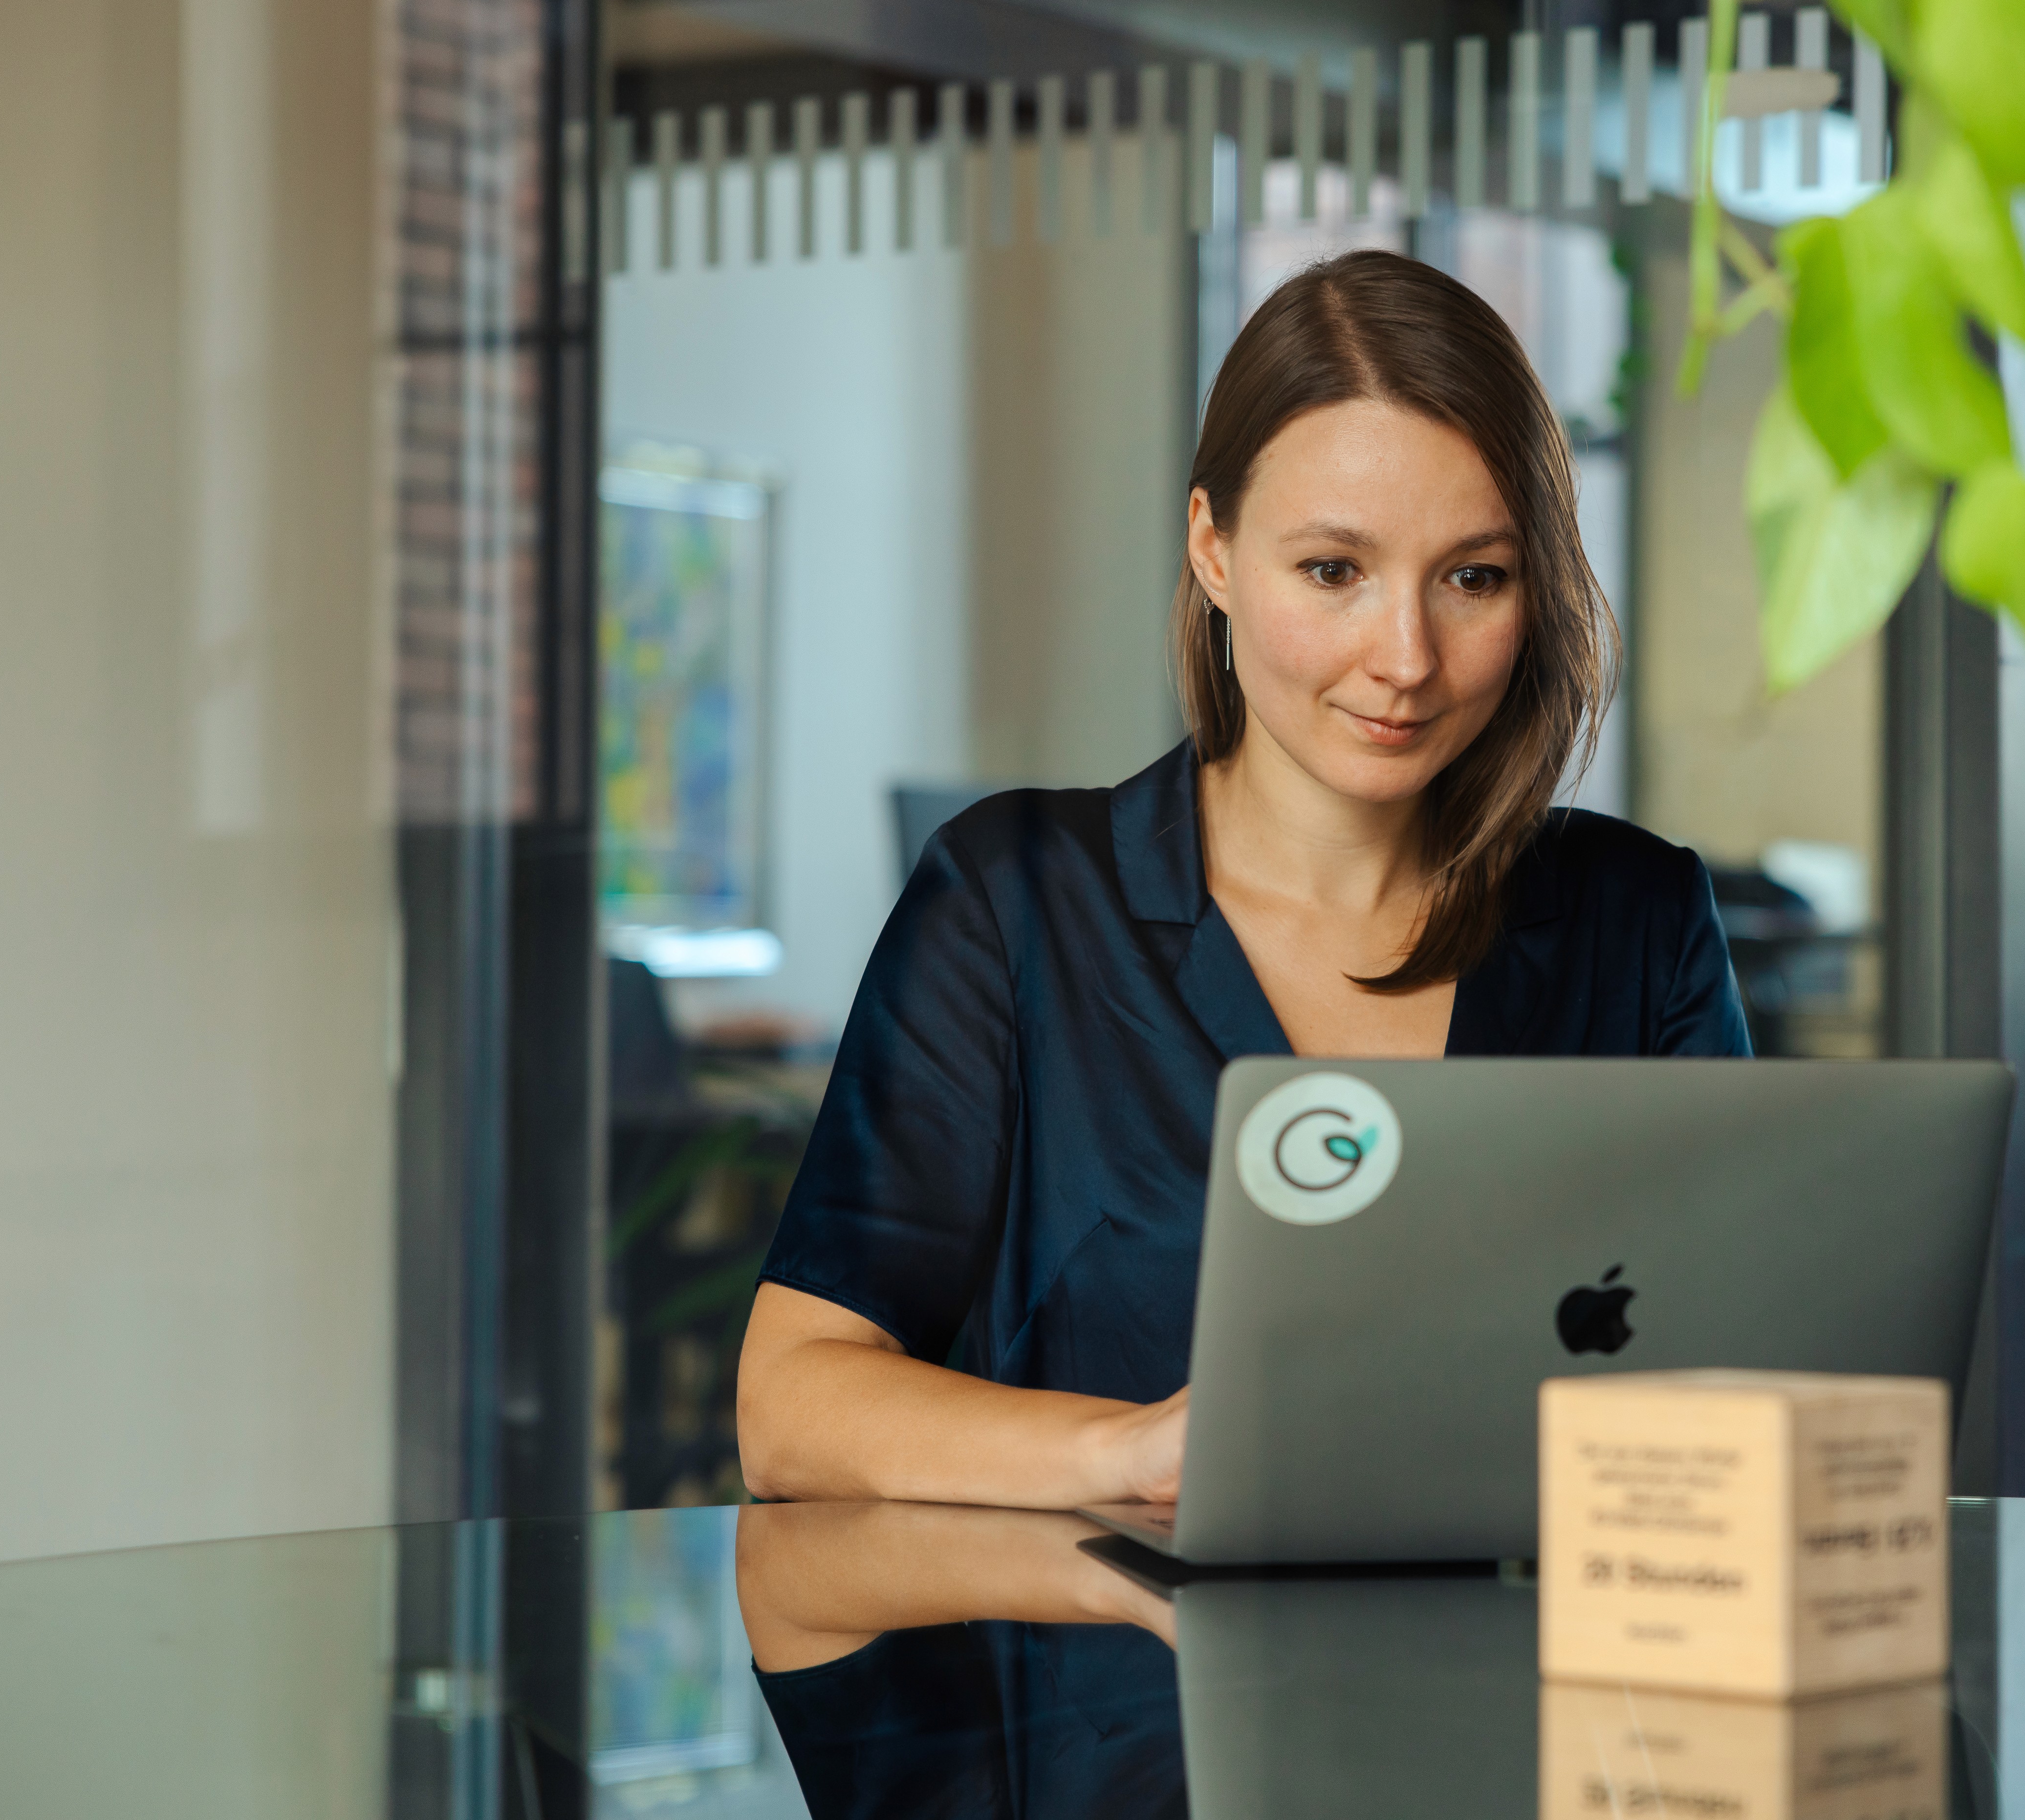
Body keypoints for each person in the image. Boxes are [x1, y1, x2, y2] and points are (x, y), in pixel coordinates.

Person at [735, 248, 1751, 1512]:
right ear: (1212, 550)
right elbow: (790, 1403)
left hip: (1540, 1639)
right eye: (1333, 572)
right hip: (1114, 1641)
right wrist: (1130, 1454)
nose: (1406, 658)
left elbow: (1744, 1365)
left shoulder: (1639, 923)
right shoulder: (1014, 908)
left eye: (1473, 578)